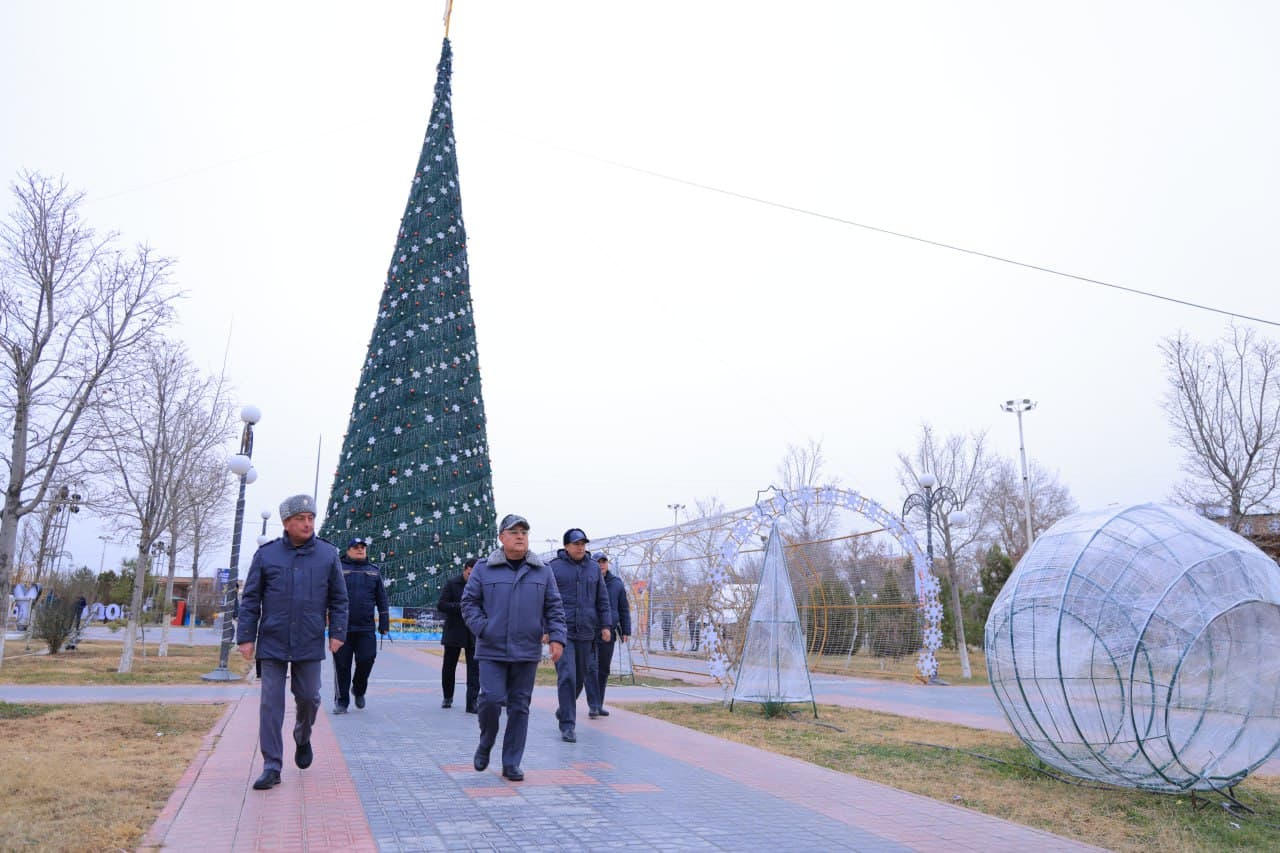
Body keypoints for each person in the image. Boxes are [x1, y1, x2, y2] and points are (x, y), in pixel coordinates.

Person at [237, 494, 348, 792]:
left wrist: (337, 632)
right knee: (270, 704)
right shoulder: (267, 555)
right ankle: (272, 765)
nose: (307, 523)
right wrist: (246, 637)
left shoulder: (328, 555)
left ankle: (302, 735)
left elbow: (339, 598)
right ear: (286, 523)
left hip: (309, 640)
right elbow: (250, 600)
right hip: (273, 640)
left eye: (310, 518)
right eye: (300, 518)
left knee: (309, 697)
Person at [461, 514, 566, 782]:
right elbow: (469, 603)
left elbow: (554, 607)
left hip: (526, 650)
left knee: (520, 707)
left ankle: (511, 762)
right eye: (514, 531)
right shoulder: (484, 569)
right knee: (491, 700)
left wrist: (557, 637)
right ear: (501, 537)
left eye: (524, 532)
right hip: (492, 649)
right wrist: (484, 628)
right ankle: (486, 743)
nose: (520, 536)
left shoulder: (543, 571)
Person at [547, 527, 612, 738]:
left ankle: (564, 709)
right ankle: (568, 725)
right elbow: (544, 600)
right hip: (562, 631)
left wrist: (605, 626)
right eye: (576, 544)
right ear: (566, 546)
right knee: (567, 675)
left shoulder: (593, 569)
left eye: (583, 544)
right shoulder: (553, 568)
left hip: (586, 631)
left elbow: (602, 599)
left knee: (580, 676)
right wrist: (546, 629)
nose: (580, 547)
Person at [331, 537, 389, 714]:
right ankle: (342, 701)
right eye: (356, 547)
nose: (360, 550)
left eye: (363, 547)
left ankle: (358, 689)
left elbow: (382, 598)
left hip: (365, 627)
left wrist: (384, 621)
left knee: (367, 659)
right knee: (342, 666)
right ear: (348, 550)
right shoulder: (338, 569)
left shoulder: (374, 571)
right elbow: (328, 594)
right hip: (342, 628)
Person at [436, 556, 480, 712]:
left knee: (475, 669)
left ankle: (472, 702)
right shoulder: (452, 583)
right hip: (454, 630)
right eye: (469, 574)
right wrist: (461, 607)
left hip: (473, 632)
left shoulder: (482, 585)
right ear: (465, 570)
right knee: (449, 666)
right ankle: (447, 696)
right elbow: (441, 604)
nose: (471, 578)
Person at [595, 553, 630, 715]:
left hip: (608, 633)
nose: (601, 564)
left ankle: (597, 704)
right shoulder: (589, 581)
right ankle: (586, 702)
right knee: (588, 669)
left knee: (603, 669)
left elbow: (623, 608)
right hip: (589, 632)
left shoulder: (616, 583)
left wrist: (626, 630)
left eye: (604, 561)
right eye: (598, 562)